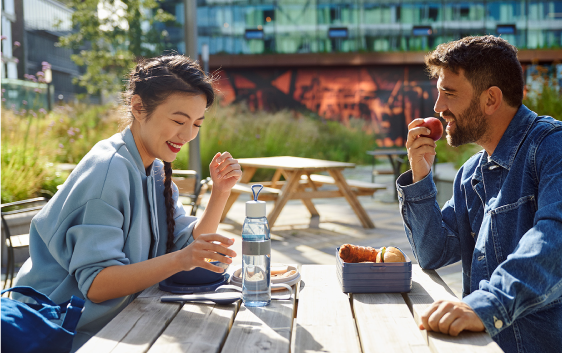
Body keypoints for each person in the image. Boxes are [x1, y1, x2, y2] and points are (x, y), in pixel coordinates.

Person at [14, 55, 242, 351]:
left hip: (118, 321)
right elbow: (98, 286)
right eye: (178, 120)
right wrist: (182, 260)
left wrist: (221, 191)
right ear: (137, 107)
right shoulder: (108, 171)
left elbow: (186, 246)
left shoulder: (154, 169)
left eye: (197, 123)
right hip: (58, 333)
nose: (187, 135)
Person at [398, 35, 562, 353]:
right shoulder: (471, 174)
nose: (437, 108)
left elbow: (553, 238)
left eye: (449, 93)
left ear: (490, 100)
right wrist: (420, 175)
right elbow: (433, 252)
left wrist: (485, 306)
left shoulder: (552, 148)